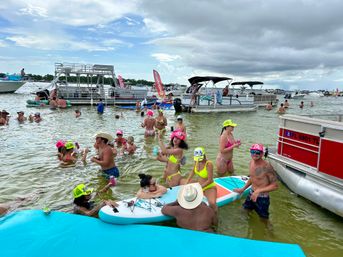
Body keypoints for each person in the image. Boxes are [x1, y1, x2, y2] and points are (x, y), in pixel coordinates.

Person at [234, 144, 278, 220]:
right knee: (244, 211)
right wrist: (243, 189)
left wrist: (258, 191)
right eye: (253, 151)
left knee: (263, 220)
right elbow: (252, 178)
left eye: (258, 152)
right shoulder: (251, 162)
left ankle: (268, 232)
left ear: (262, 154)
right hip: (251, 193)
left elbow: (275, 186)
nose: (255, 154)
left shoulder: (267, 167)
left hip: (262, 198)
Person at [185, 147, 217, 212]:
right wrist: (187, 180)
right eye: (197, 159)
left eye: (200, 158)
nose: (198, 160)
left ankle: (215, 217)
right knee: (184, 183)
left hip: (209, 186)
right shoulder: (197, 161)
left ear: (204, 155)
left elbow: (210, 180)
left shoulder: (209, 164)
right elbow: (193, 171)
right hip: (199, 185)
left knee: (212, 203)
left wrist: (199, 187)